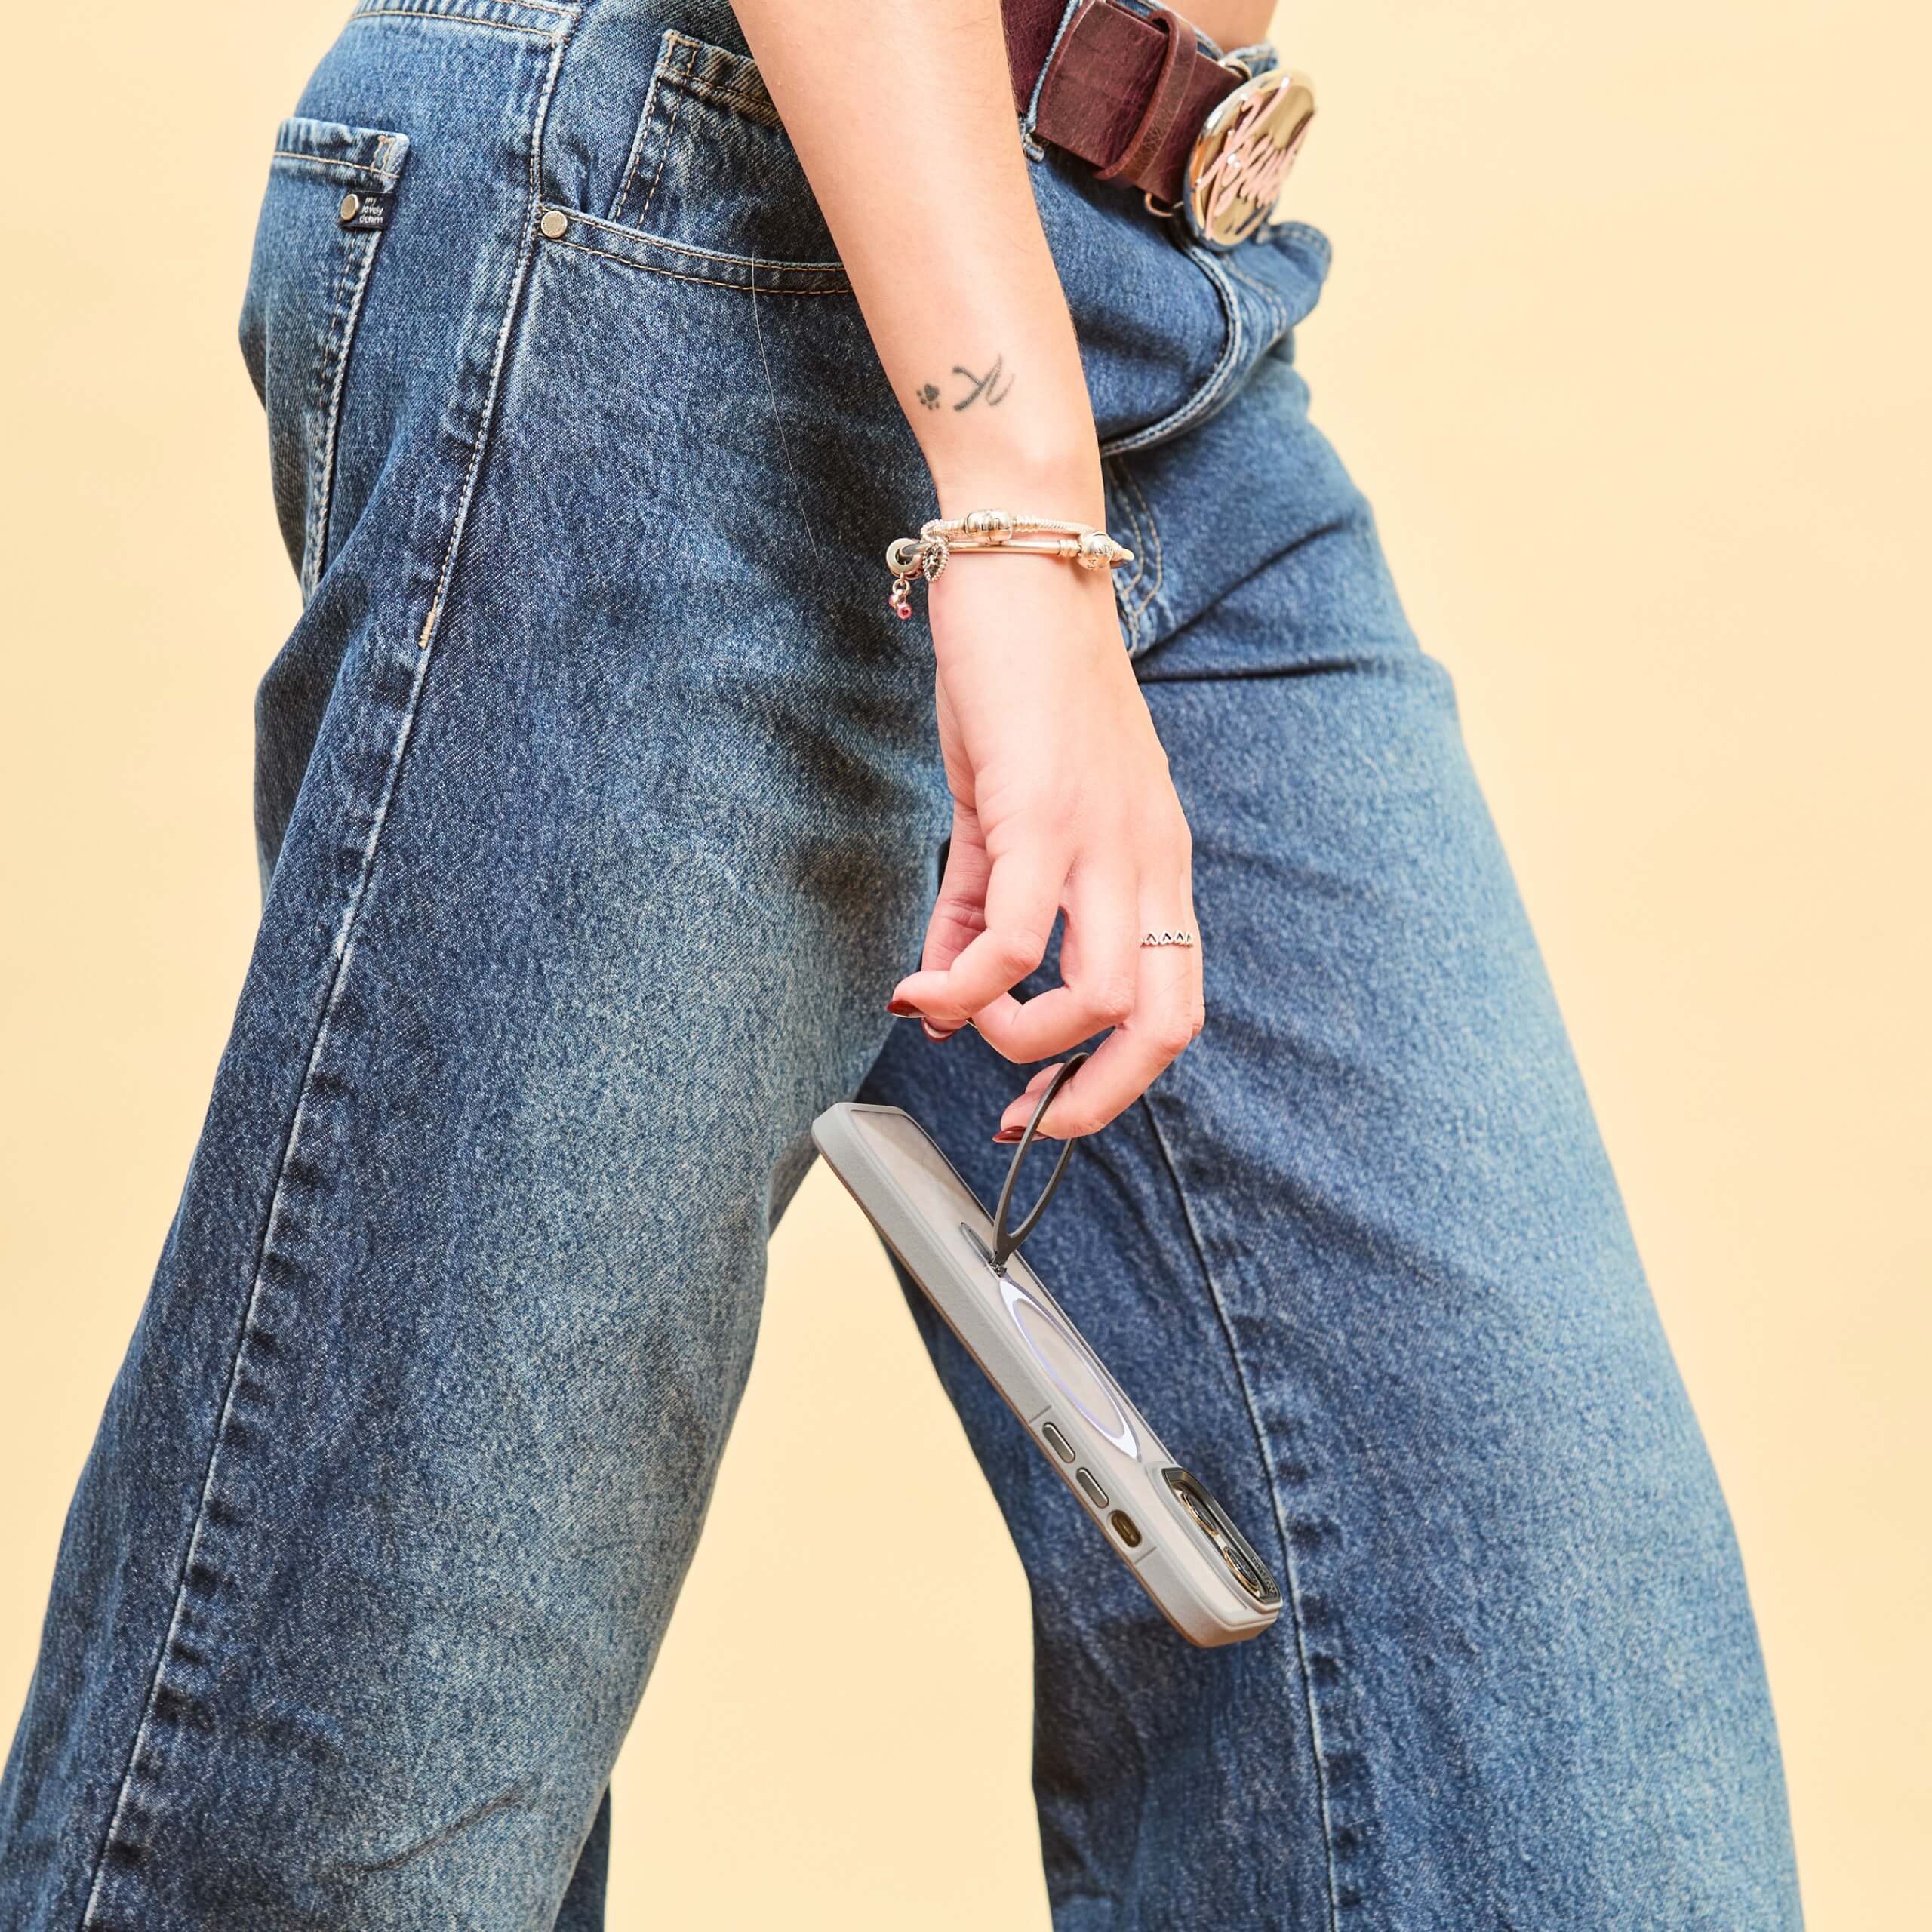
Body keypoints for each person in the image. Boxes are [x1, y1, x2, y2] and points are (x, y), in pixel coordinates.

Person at [0, 2, 1802, 1924]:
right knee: (355, 1792)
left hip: (1148, 300)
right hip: (683, 216)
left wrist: (1038, 478)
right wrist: (1013, 502)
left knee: (1544, 1769)